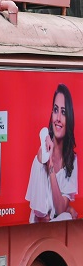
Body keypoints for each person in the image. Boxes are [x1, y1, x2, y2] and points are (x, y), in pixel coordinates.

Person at [26, 83, 78, 222]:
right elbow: (41, 214)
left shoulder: (72, 160)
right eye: (55, 110)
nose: (58, 118)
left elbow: (60, 209)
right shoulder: (42, 155)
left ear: (70, 119)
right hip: (38, 230)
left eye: (64, 112)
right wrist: (46, 160)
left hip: (57, 227)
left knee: (66, 217)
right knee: (67, 217)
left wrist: (51, 168)